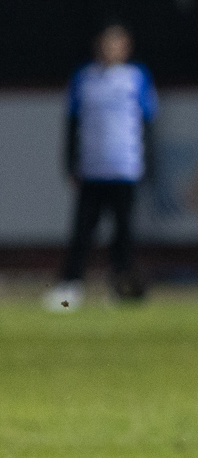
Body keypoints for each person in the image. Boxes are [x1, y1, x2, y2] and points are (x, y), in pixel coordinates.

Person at [46, 23, 156, 311]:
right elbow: (72, 122)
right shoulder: (84, 78)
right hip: (92, 168)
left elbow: (148, 122)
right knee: (82, 231)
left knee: (123, 233)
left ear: (126, 48)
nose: (111, 49)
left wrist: (149, 163)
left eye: (117, 44)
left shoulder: (136, 78)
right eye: (107, 44)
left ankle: (122, 286)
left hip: (125, 167)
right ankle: (69, 288)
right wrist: (70, 162)